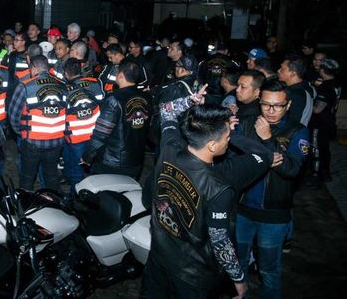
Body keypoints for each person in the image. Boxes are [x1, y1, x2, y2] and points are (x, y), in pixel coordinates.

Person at [143, 90, 273, 299]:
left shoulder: (170, 147)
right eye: (226, 138)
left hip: (158, 258)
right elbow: (220, 240)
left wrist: (190, 101)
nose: (228, 140)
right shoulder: (219, 186)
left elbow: (166, 110)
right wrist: (239, 279)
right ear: (213, 145)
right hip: (193, 277)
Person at [236, 79, 310, 299]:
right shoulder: (247, 123)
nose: (271, 110)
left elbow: (292, 169)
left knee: (269, 269)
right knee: (235, 267)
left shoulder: (298, 131)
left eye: (277, 105)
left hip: (274, 215)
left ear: (288, 105)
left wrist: (268, 139)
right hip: (242, 211)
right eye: (266, 104)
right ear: (259, 102)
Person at [8, 55, 67, 190]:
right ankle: (54, 205)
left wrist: (21, 132)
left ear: (33, 68)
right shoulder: (62, 86)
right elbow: (67, 114)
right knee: (52, 177)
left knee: (27, 179)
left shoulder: (25, 86)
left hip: (32, 142)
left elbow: (13, 115)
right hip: (56, 142)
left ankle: (26, 207)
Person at [83, 61, 151, 179]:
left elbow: (101, 133)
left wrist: (87, 156)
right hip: (136, 159)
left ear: (120, 75)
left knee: (105, 195)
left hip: (113, 162)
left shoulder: (114, 100)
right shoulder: (146, 97)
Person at [61, 58, 104, 187]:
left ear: (66, 73)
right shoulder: (95, 82)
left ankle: (76, 199)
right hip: (95, 133)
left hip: (75, 136)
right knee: (91, 166)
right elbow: (103, 104)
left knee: (76, 170)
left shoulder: (63, 88)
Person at [310, 58, 340, 182]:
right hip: (330, 121)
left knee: (316, 149)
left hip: (320, 123)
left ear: (322, 70)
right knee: (325, 149)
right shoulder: (336, 83)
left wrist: (306, 104)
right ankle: (326, 173)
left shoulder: (326, 87)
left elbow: (317, 110)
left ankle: (315, 176)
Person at [278, 54, 313, 126]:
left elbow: (292, 123)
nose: (278, 71)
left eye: (282, 69)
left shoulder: (297, 94)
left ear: (293, 73)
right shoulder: (304, 87)